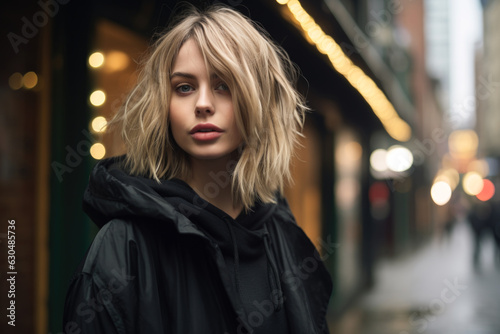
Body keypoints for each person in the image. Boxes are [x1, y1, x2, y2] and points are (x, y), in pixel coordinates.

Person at [63, 5, 332, 334]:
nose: (203, 103)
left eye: (224, 85)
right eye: (184, 87)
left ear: (258, 99)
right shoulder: (122, 249)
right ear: (164, 104)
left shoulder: (281, 231)